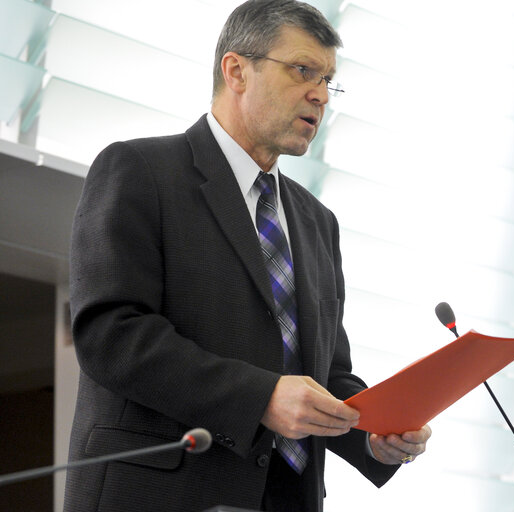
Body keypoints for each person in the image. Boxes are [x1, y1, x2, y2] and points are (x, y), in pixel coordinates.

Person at [63, 1, 431, 510]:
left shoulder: (317, 221)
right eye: (304, 71)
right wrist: (260, 397)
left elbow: (325, 375)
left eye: (329, 80)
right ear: (236, 70)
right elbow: (110, 334)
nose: (320, 95)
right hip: (166, 491)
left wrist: (372, 434)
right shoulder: (140, 169)